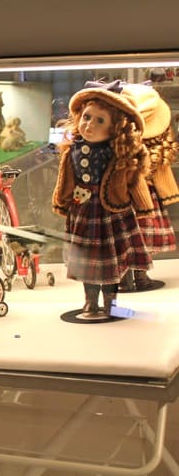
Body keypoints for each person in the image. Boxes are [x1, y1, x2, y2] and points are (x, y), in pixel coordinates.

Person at [52, 80, 153, 321]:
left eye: (100, 121)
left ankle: (111, 303)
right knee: (86, 261)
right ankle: (90, 301)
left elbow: (134, 180)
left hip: (113, 214)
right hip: (83, 212)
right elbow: (65, 179)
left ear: (115, 127)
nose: (89, 125)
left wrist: (143, 205)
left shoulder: (121, 153)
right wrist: (61, 201)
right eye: (86, 117)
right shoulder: (72, 150)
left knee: (111, 263)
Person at [119, 83, 179, 291]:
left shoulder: (121, 141)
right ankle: (140, 276)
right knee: (142, 236)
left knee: (125, 236)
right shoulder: (156, 147)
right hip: (146, 196)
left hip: (122, 196)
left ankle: (126, 278)